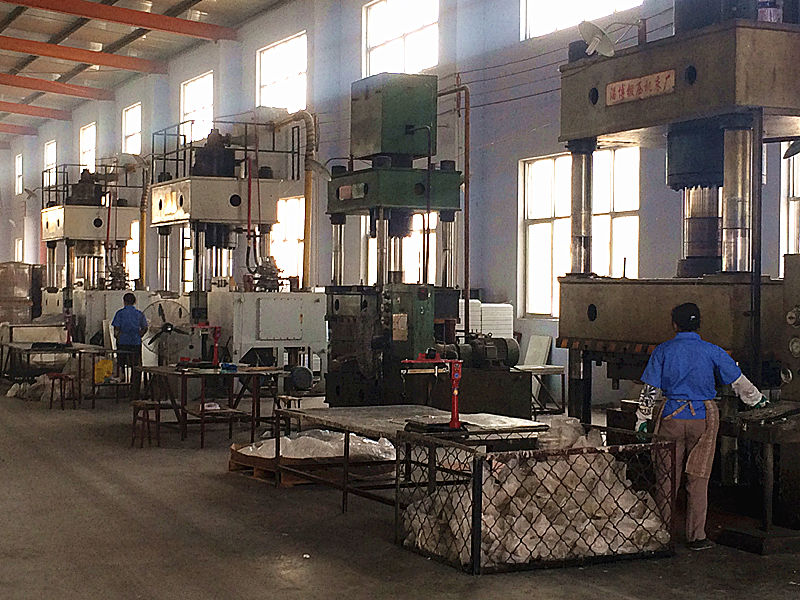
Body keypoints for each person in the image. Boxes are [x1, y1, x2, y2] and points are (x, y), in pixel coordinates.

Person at [637, 302, 767, 551]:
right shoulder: (712, 351)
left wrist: (642, 420)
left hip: (671, 418)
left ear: (674, 324)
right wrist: (758, 400)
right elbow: (738, 381)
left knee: (666, 478)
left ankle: (662, 535)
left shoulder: (663, 351)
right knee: (698, 478)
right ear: (699, 324)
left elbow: (650, 390)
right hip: (703, 420)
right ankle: (696, 537)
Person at [112, 293, 148, 399]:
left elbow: (116, 330)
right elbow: (145, 327)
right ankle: (134, 392)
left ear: (124, 301)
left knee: (121, 367)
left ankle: (121, 391)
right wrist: (138, 335)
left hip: (122, 343)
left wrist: (118, 337)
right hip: (135, 343)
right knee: (135, 367)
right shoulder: (139, 314)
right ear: (135, 301)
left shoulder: (120, 313)